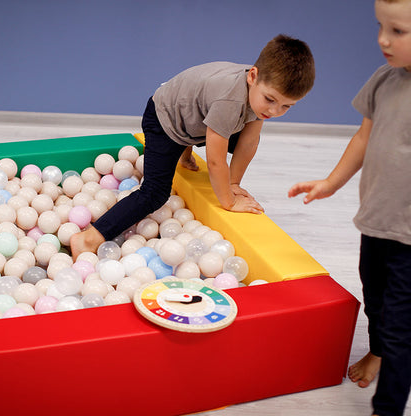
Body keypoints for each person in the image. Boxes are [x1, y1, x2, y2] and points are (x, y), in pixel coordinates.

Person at [70, 34, 315, 260]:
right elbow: (216, 159)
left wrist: (233, 184)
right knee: (155, 193)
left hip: (192, 114)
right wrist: (228, 201)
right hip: (164, 118)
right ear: (252, 76)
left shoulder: (258, 93)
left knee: (238, 136)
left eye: (286, 106)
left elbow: (249, 141)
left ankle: (185, 151)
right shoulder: (229, 99)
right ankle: (89, 238)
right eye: (270, 100)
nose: (274, 111)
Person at [288, 1, 411, 415]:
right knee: (375, 300)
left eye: (398, 31)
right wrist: (330, 182)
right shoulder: (384, 80)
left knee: (400, 328)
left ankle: (387, 408)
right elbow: (363, 138)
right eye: (381, 26)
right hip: (376, 223)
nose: (382, 39)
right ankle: (376, 352)